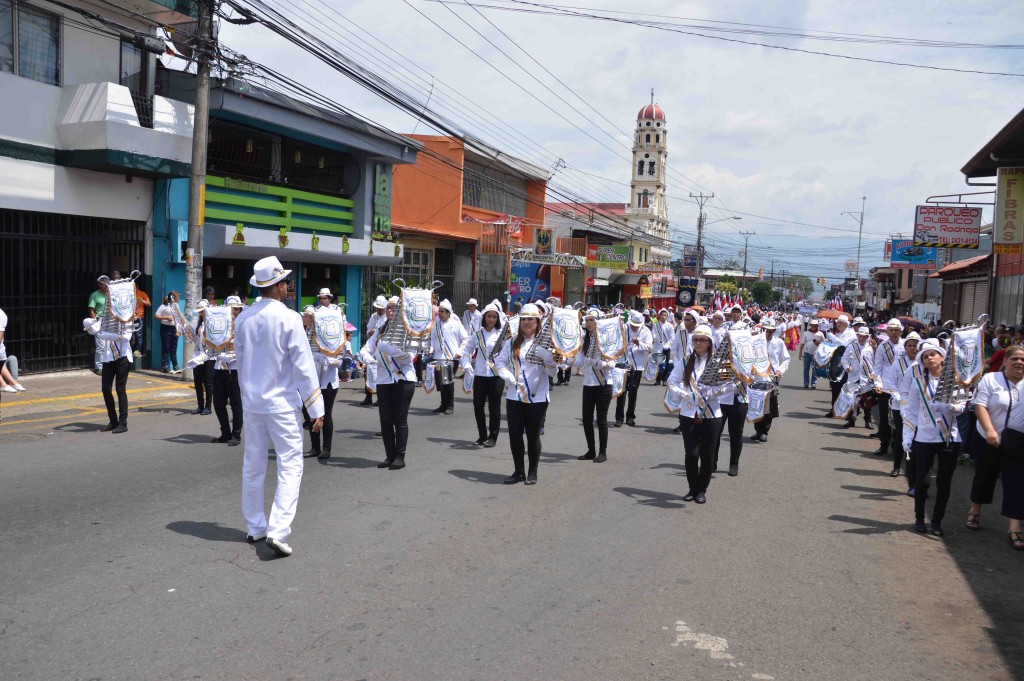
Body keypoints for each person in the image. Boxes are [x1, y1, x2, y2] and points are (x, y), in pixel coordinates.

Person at [234, 256, 324, 558]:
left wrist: (247, 396)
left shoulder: (243, 318)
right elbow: (303, 366)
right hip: (282, 404)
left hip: (253, 403)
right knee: (290, 464)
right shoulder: (288, 318)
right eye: (286, 281)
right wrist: (315, 408)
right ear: (278, 285)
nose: (288, 286)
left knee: (253, 464)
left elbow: (242, 363)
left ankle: (256, 526)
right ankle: (278, 530)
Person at [901, 339, 964, 536]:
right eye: (925, 357)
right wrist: (907, 436)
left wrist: (950, 408)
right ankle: (920, 518)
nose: (929, 358)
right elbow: (910, 411)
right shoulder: (918, 383)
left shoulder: (955, 380)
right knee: (922, 481)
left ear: (942, 358)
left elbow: (963, 407)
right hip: (925, 438)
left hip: (949, 438)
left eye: (932, 355)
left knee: (944, 482)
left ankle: (936, 521)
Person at [965, 344, 1024, 549]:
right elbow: (980, 405)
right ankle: (975, 510)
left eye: (1023, 359)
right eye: (1015, 358)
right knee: (985, 476)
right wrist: (990, 430)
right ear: (1005, 361)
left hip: (1017, 444)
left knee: (1017, 483)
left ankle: (1015, 528)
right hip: (988, 438)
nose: (1019, 362)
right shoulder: (991, 379)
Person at [494, 303, 558, 485]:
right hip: (515, 396)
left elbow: (553, 374)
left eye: (531, 319)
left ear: (538, 322)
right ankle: (518, 471)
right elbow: (499, 363)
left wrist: (548, 358)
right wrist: (506, 376)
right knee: (514, 434)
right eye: (524, 319)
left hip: (537, 397)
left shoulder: (547, 343)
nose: (527, 323)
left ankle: (533, 471)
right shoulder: (510, 343)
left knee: (532, 435)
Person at [667, 324, 728, 503]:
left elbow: (729, 385)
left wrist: (715, 392)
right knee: (691, 454)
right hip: (689, 413)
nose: (698, 343)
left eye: (702, 340)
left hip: (712, 414)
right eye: (696, 339)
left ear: (709, 343)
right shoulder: (686, 361)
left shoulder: (718, 362)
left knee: (708, 455)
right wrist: (684, 394)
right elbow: (672, 381)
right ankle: (692, 488)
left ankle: (702, 489)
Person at [360, 300, 417, 469]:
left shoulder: (409, 330)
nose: (391, 310)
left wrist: (387, 348)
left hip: (403, 379)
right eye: (389, 308)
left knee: (399, 419)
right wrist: (369, 359)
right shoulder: (381, 329)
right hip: (384, 380)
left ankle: (400, 457)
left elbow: (409, 357)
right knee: (385, 420)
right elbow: (365, 349)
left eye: (395, 308)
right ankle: (389, 456)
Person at [83, 292, 133, 433]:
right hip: (108, 358)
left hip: (122, 357)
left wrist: (105, 335)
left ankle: (123, 423)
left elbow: (126, 337)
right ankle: (113, 420)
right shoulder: (104, 319)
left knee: (120, 389)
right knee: (106, 389)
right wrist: (88, 324)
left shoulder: (125, 318)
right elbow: (93, 331)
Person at [460, 301, 504, 447]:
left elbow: (508, 354)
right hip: (480, 374)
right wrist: (466, 364)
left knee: (494, 406)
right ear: (484, 317)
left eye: (494, 317)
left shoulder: (502, 335)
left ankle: (493, 436)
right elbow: (466, 351)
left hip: (496, 375)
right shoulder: (477, 334)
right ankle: (482, 435)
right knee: (478, 405)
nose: (491, 319)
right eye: (489, 316)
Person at [575, 309, 616, 462]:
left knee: (601, 419)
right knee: (586, 419)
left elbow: (611, 364)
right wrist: (565, 360)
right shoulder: (586, 338)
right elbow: (580, 361)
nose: (589, 323)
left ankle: (602, 452)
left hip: (603, 383)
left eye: (592, 320)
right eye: (587, 320)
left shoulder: (605, 339)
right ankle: (591, 450)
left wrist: (595, 363)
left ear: (598, 321)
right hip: (588, 383)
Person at [305, 294, 342, 460]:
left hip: (328, 382)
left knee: (326, 414)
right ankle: (315, 447)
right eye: (308, 317)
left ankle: (327, 448)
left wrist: (322, 358)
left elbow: (339, 361)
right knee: (311, 413)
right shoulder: (306, 335)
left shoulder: (334, 334)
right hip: (312, 381)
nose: (310, 320)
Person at [884, 332, 921, 480]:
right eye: (910, 345)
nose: (913, 348)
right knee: (900, 436)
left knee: (916, 439)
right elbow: (890, 382)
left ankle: (913, 471)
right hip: (900, 406)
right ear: (905, 347)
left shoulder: (921, 363)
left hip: (918, 408)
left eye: (915, 346)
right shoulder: (898, 363)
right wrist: (899, 398)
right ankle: (897, 466)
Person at [210, 297, 244, 447]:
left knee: (236, 404)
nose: (233, 311)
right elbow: (211, 347)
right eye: (231, 308)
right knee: (218, 403)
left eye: (236, 309)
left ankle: (236, 434)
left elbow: (247, 349)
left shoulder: (242, 326)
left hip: (235, 370)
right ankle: (225, 432)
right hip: (219, 368)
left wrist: (231, 357)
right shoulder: (220, 325)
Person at [752, 319, 789, 443]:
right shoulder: (755, 341)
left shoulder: (778, 342)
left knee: (768, 406)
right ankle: (757, 430)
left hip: (771, 378)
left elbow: (786, 359)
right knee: (756, 405)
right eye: (766, 330)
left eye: (771, 331)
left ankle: (764, 431)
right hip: (756, 377)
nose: (768, 333)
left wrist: (780, 370)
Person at [871, 319, 905, 455]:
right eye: (891, 330)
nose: (894, 333)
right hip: (885, 388)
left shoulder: (906, 345)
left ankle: (897, 446)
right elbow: (877, 369)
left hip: (902, 388)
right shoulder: (882, 347)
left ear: (901, 331)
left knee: (899, 419)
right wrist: (877, 384)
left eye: (897, 330)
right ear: (887, 331)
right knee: (884, 418)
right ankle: (883, 444)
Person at [614, 311, 653, 427]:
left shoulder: (646, 331)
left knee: (633, 392)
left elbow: (650, 348)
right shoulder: (624, 328)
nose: (634, 327)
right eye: (633, 325)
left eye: (636, 325)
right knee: (621, 392)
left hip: (637, 366)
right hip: (623, 363)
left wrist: (639, 343)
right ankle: (619, 418)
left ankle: (630, 416)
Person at [429, 299, 467, 415]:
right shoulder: (436, 325)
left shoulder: (456, 324)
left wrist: (460, 351)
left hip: (451, 357)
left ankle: (450, 405)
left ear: (448, 313)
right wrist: (431, 349)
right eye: (439, 311)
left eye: (442, 311)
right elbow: (433, 339)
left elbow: (466, 339)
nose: (439, 313)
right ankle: (443, 404)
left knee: (448, 381)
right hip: (439, 357)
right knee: (441, 382)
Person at [825, 314, 856, 417]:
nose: (838, 324)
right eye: (837, 322)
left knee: (845, 388)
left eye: (841, 322)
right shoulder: (839, 333)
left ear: (846, 324)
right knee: (835, 386)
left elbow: (843, 344)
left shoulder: (850, 333)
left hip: (848, 365)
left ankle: (848, 412)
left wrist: (832, 337)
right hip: (837, 363)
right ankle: (834, 409)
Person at [362, 295, 387, 406]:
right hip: (373, 345)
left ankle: (380, 397)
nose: (379, 310)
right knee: (368, 370)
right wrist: (370, 332)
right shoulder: (374, 316)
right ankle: (368, 395)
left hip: (383, 347)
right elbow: (368, 329)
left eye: (381, 308)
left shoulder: (387, 317)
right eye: (377, 308)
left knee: (381, 372)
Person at [191, 300, 214, 415]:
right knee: (197, 381)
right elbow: (194, 338)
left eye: (202, 311)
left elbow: (214, 341)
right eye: (199, 311)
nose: (201, 313)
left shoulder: (212, 322)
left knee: (208, 382)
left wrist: (204, 336)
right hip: (198, 354)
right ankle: (200, 405)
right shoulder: (197, 322)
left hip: (209, 356)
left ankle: (208, 406)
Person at [154, 292, 181, 374]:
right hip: (166, 328)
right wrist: (166, 317)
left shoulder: (176, 306)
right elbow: (156, 315)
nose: (178, 299)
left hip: (174, 328)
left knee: (174, 348)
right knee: (166, 347)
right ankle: (164, 365)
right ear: (173, 298)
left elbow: (179, 316)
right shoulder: (164, 306)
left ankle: (175, 366)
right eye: (177, 297)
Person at [88, 280, 108, 374]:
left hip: (109, 322)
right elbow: (91, 309)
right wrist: (94, 322)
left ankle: (107, 365)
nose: (106, 285)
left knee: (108, 345)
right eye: (104, 283)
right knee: (101, 346)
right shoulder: (95, 295)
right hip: (99, 322)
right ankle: (99, 367)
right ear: (99, 285)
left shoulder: (110, 294)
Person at [801, 319, 821, 389]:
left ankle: (813, 383)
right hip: (807, 353)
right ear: (811, 325)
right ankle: (806, 383)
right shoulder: (806, 333)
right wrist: (800, 353)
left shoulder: (820, 333)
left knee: (814, 369)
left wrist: (818, 343)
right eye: (812, 325)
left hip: (816, 354)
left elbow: (824, 344)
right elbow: (802, 343)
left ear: (817, 326)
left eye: (815, 325)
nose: (813, 327)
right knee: (806, 369)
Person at [132, 284, 151, 358]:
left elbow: (149, 304)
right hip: (130, 317)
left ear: (137, 287)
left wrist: (142, 300)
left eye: (134, 288)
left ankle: (137, 351)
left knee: (139, 335)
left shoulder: (142, 294)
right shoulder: (129, 294)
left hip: (139, 317)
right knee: (129, 335)